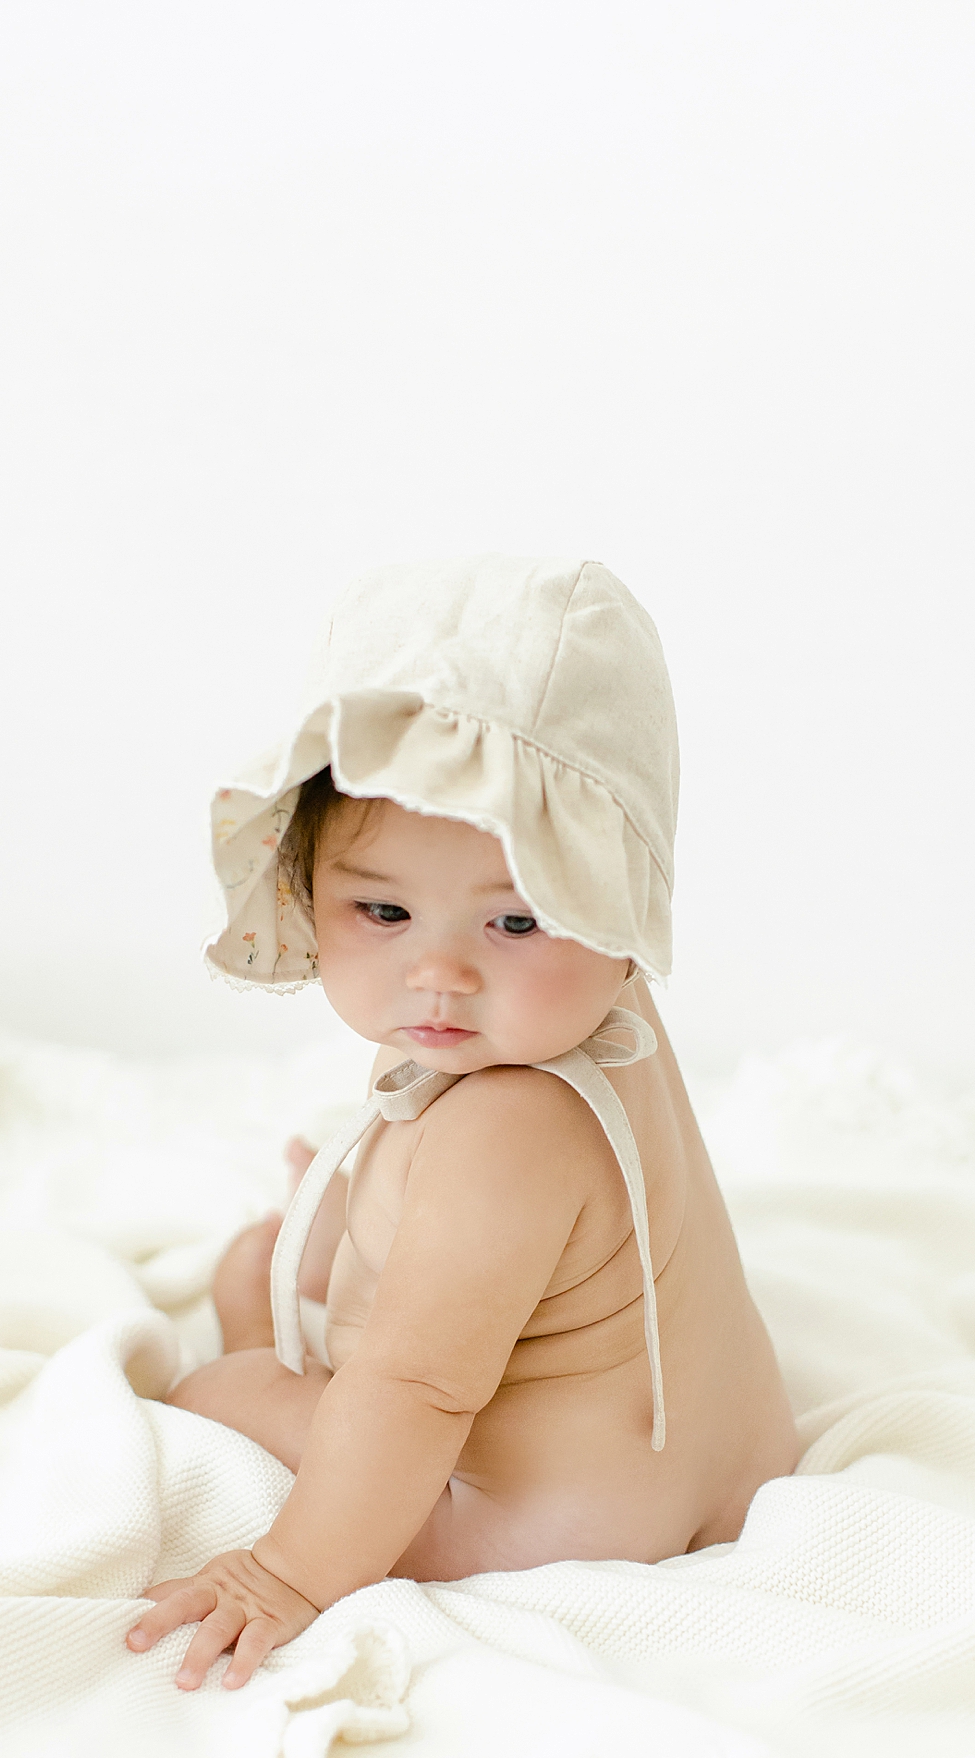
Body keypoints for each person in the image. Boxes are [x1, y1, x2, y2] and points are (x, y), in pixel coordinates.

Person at [126, 555, 798, 1692]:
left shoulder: (503, 1133)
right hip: (721, 1456)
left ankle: (257, 1347)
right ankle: (299, 1263)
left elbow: (417, 1392)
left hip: (544, 1522)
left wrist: (289, 1571)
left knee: (214, 1394)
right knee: (339, 1248)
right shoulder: (595, 1000)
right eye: (380, 910)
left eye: (515, 921)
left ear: (607, 907)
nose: (436, 974)